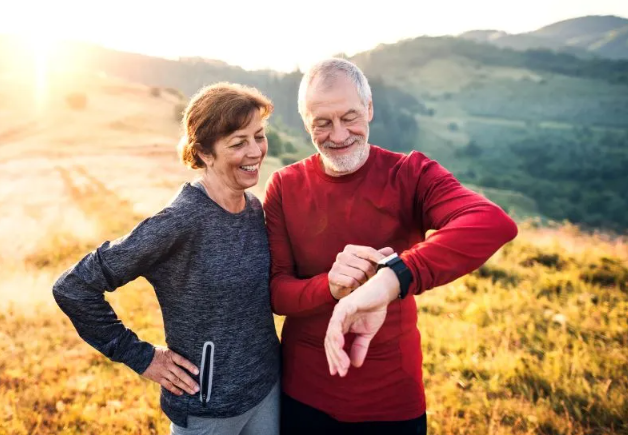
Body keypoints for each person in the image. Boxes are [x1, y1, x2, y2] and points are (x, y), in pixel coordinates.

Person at [262, 58, 518, 434]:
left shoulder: (411, 174)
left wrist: (393, 278)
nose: (337, 135)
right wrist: (330, 287)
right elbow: (277, 293)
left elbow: (491, 222)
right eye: (322, 122)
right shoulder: (284, 186)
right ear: (306, 123)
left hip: (391, 399)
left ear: (369, 109)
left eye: (349, 116)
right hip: (304, 394)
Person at [53, 82, 281, 435]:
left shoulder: (252, 207)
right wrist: (142, 357)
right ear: (205, 153)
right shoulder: (179, 221)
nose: (255, 151)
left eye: (259, 136)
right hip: (207, 409)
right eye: (238, 143)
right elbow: (74, 287)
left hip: (267, 392)